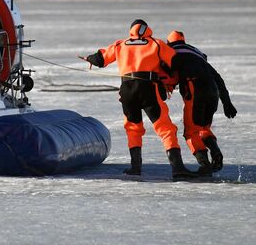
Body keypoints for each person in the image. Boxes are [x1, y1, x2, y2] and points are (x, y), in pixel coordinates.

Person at [82, 19, 196, 178]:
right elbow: (175, 62)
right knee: (165, 128)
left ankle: (135, 167)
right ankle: (177, 168)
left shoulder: (121, 44)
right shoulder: (156, 43)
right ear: (147, 29)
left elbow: (100, 59)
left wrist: (88, 58)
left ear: (131, 30)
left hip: (127, 89)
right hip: (148, 87)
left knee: (132, 127)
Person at [167, 30, 237, 173]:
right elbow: (218, 78)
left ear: (169, 43)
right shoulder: (197, 54)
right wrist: (226, 102)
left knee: (191, 133)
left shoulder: (171, 53)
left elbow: (168, 74)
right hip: (213, 92)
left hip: (195, 92)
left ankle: (205, 165)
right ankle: (216, 152)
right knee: (203, 128)